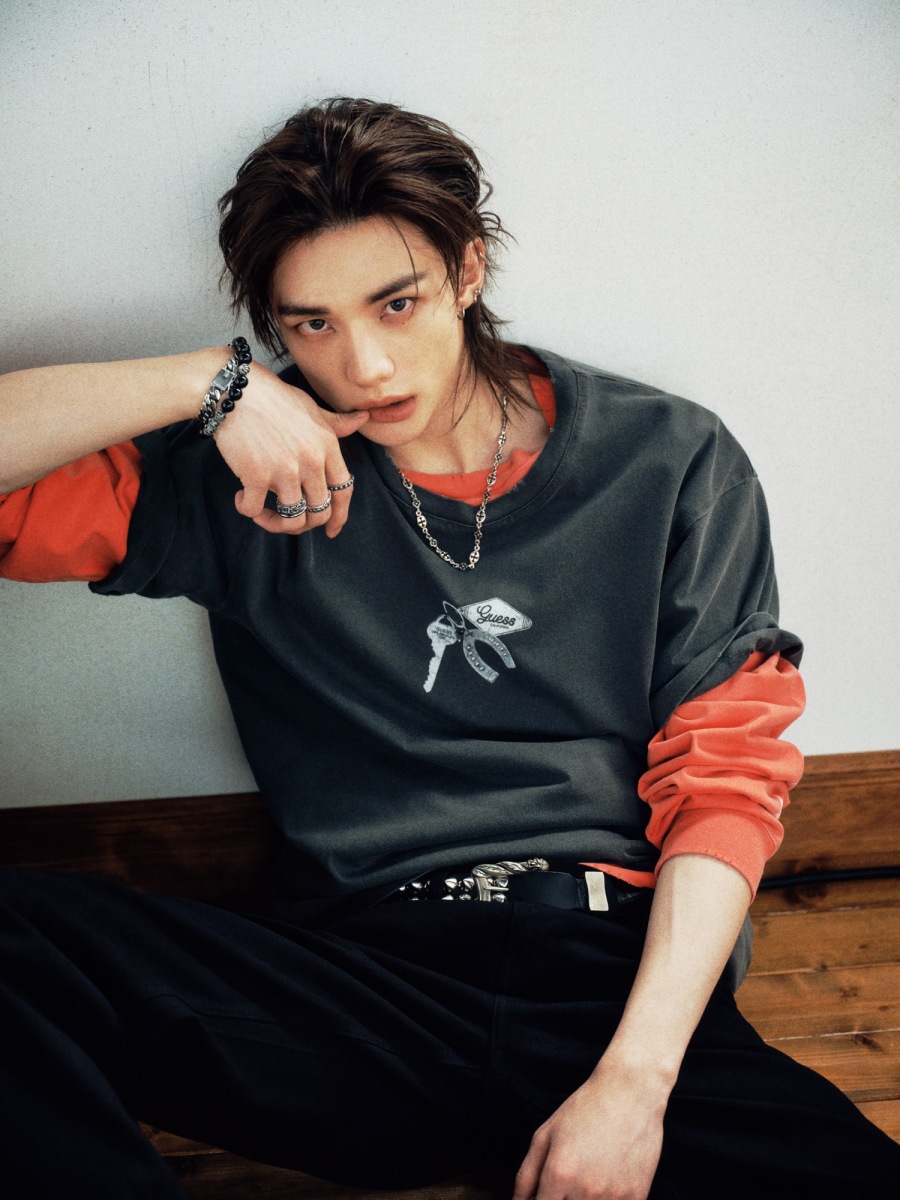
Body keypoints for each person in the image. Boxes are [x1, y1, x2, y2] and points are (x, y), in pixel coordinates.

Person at [0, 97, 897, 1200]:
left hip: (615, 985)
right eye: (312, 325)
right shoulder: (244, 476)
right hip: (364, 992)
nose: (366, 364)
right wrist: (204, 384)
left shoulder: (667, 460)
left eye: (398, 302)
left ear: (469, 271)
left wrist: (633, 1085)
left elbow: (727, 782)